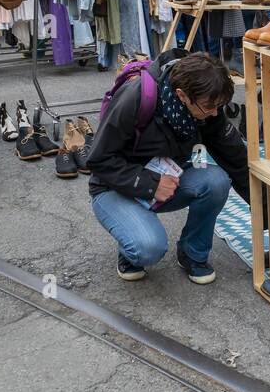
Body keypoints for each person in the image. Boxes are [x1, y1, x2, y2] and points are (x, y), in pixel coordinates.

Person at [88, 50, 249, 286]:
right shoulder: (135, 98)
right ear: (182, 95)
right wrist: (149, 184)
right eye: (209, 107)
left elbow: (238, 162)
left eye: (220, 106)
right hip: (114, 187)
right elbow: (98, 160)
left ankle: (192, 253)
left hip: (165, 181)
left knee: (216, 181)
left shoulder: (207, 103)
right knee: (148, 248)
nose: (215, 113)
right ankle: (129, 246)